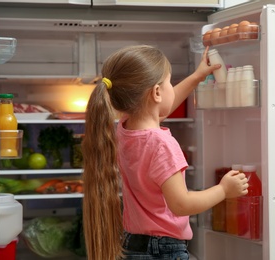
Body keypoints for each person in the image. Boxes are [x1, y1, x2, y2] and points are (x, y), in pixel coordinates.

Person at [82, 45, 249, 260]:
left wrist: (197, 77)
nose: (172, 87)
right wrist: (224, 190)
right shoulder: (162, 144)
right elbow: (181, 205)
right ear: (157, 92)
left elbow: (159, 108)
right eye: (169, 82)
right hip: (163, 250)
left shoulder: (125, 129)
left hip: (134, 244)